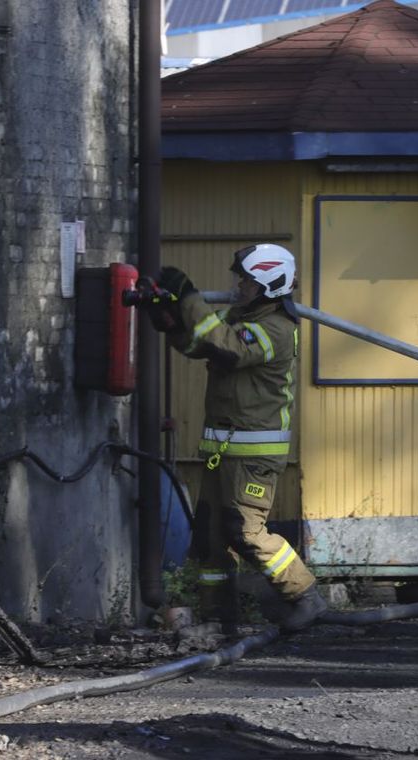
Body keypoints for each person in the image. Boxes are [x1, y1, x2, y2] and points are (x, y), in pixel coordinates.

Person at [149, 244, 327, 633]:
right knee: (211, 537)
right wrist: (172, 323)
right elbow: (204, 344)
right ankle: (219, 618)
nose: (238, 285)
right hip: (224, 449)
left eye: (245, 279)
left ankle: (305, 596)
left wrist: (190, 297)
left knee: (246, 531)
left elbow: (228, 347)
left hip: (253, 454)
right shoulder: (242, 317)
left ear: (266, 282)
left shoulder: (277, 329)